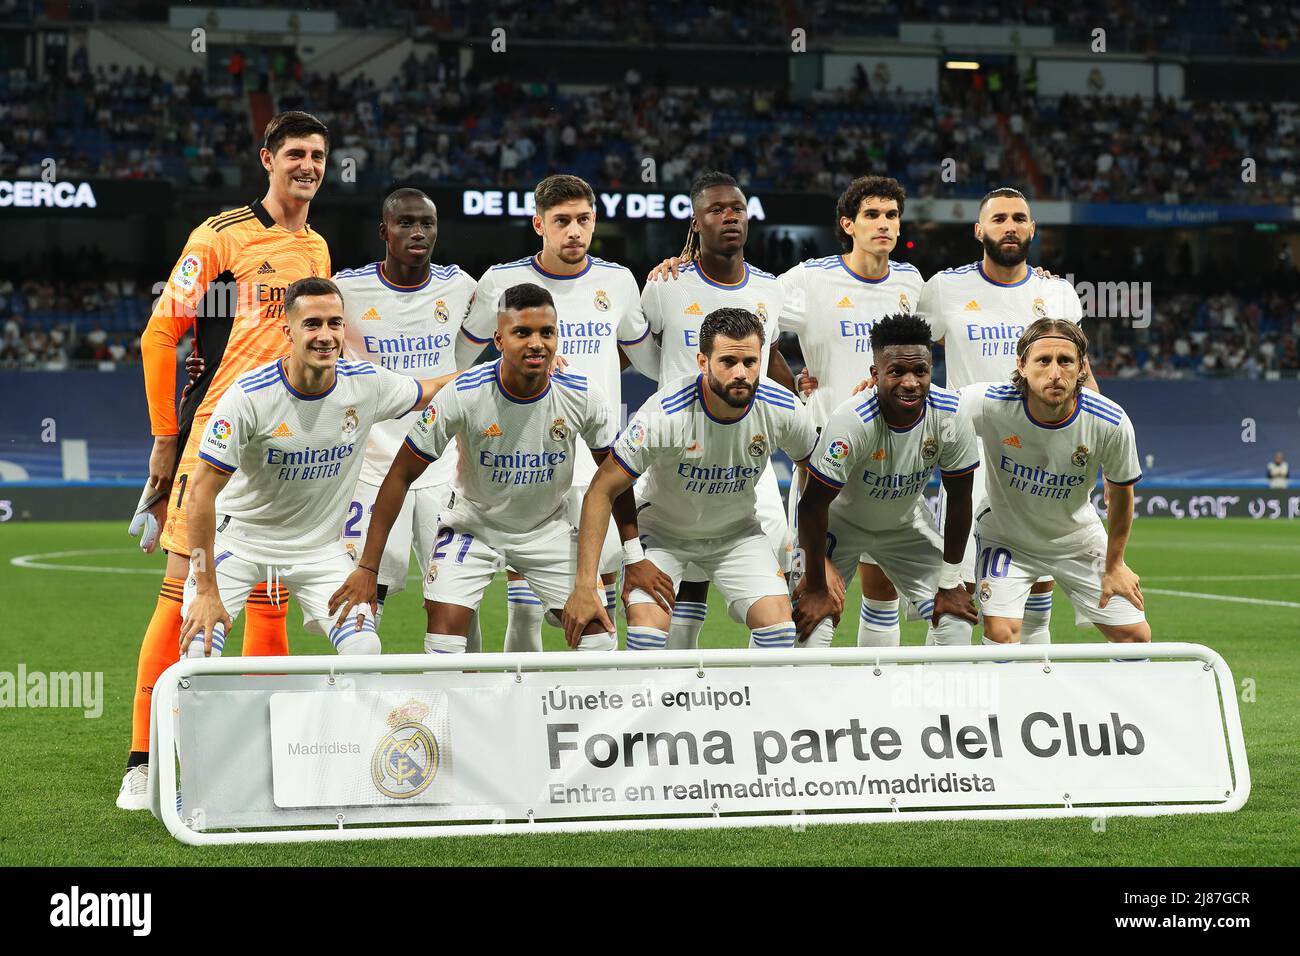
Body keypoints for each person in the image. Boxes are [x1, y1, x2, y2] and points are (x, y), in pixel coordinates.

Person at [118, 111, 332, 811]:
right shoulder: (222, 237)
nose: (307, 165)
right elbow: (161, 335)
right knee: (182, 592)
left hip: (287, 451)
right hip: (216, 440)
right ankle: (144, 760)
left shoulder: (319, 248)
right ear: (267, 158)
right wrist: (163, 438)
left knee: (270, 592)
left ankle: (269, 751)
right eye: (295, 153)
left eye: (319, 155)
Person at [331, 283, 634, 654]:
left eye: (547, 332)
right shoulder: (464, 393)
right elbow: (400, 474)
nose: (536, 343)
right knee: (444, 643)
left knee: (599, 639)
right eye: (522, 332)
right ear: (499, 339)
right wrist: (368, 568)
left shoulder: (582, 394)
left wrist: (626, 560)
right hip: (471, 529)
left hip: (546, 528)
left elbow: (614, 479)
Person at [180, 277, 454, 659]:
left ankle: (333, 721)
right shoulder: (249, 396)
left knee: (364, 648)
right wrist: (206, 590)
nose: (326, 335)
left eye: (335, 323)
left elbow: (432, 390)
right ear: (287, 331)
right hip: (239, 545)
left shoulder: (367, 385)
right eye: (312, 324)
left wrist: (505, 369)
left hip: (319, 552)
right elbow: (201, 494)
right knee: (199, 647)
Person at [455, 175, 657, 652]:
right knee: (525, 607)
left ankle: (585, 710)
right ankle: (522, 714)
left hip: (596, 466)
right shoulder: (501, 283)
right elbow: (460, 363)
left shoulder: (618, 281)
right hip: (523, 459)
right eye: (561, 221)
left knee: (595, 597)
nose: (574, 231)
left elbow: (651, 361)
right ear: (538, 224)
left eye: (583, 220)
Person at [562, 308, 816, 652]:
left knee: (779, 632)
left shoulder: (781, 407)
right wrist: (619, 565)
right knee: (647, 635)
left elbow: (816, 478)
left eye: (751, 362)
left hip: (736, 534)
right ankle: (653, 705)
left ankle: (753, 705)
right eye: (728, 361)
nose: (741, 373)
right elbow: (601, 489)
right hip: (663, 534)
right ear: (702, 361)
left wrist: (813, 564)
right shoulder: (665, 413)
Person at [913, 186, 1096, 646]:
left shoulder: (1057, 293)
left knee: (1036, 591)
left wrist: (1099, 433)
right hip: (968, 456)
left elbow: (1080, 371)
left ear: (1032, 228)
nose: (1010, 226)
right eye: (999, 219)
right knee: (957, 591)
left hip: (1042, 454)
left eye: (1019, 218)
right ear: (979, 230)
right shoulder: (943, 289)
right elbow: (910, 353)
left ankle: (1030, 703)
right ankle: (945, 708)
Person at [640, 171, 799, 649]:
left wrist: (799, 392)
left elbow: (770, 360)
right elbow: (644, 356)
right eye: (716, 210)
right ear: (696, 222)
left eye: (737, 209)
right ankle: (675, 699)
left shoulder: (770, 289)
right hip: (678, 447)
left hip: (748, 448)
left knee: (777, 556)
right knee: (679, 571)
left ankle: (757, 695)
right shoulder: (665, 285)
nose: (729, 216)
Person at [778, 175, 924, 646]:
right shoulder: (810, 278)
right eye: (872, 215)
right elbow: (749, 317)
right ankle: (800, 709)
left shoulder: (910, 281)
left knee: (882, 590)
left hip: (893, 456)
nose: (884, 224)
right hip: (826, 456)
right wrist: (788, 382)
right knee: (811, 596)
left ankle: (874, 705)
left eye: (891, 215)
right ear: (848, 224)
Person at [332, 188, 477, 633]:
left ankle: (464, 692)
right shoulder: (346, 289)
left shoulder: (461, 286)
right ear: (384, 231)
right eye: (406, 223)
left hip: (443, 468)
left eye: (427, 224)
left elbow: (515, 320)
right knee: (363, 595)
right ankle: (360, 693)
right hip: (371, 469)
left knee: (455, 599)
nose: (418, 232)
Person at [794, 314, 979, 648]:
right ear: (875, 374)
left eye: (920, 371)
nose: (910, 382)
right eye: (897, 372)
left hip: (905, 526)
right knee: (809, 624)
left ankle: (930, 699)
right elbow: (811, 505)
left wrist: (951, 582)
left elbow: (960, 499)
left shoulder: (950, 414)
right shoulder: (852, 421)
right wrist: (818, 585)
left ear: (930, 370)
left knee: (955, 622)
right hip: (840, 527)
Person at [961, 319, 1149, 645]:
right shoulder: (990, 404)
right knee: (1002, 634)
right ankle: (1008, 695)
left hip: (1077, 539)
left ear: (1081, 369)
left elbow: (1121, 496)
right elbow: (928, 406)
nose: (1055, 373)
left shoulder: (1110, 421)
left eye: (1065, 361)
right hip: (1007, 538)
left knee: (1135, 637)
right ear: (1021, 365)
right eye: (1043, 361)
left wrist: (1115, 563)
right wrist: (877, 389)